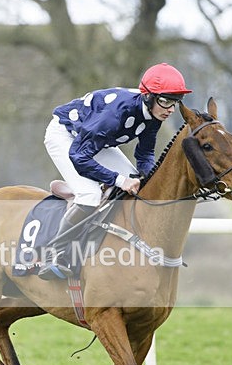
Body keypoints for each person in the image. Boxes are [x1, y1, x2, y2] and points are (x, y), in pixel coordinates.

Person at [37, 63, 192, 280]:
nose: (170, 109)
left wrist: (148, 177)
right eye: (166, 101)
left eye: (175, 103)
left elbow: (145, 154)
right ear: (148, 97)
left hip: (98, 141)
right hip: (66, 137)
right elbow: (79, 157)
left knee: (138, 185)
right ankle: (53, 253)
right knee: (90, 195)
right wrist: (117, 180)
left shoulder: (155, 114)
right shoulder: (116, 114)